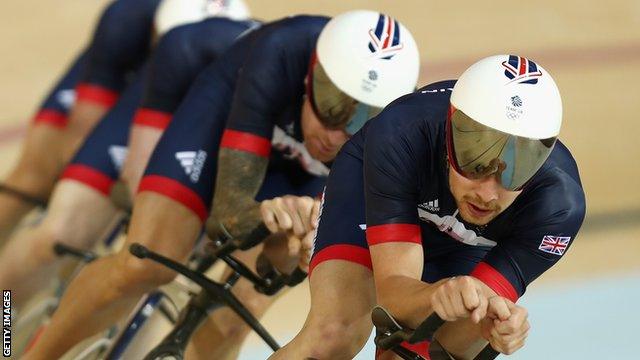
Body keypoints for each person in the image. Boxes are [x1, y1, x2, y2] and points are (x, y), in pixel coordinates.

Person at [23, 10, 420, 360]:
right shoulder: (280, 51)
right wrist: (269, 216)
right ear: (310, 73)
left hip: (294, 177)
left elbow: (283, 268)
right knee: (146, 264)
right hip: (219, 135)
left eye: (361, 120)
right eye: (331, 106)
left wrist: (296, 245)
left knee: (240, 312)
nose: (335, 136)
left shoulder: (394, 136)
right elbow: (227, 218)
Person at [271, 55, 586, 359]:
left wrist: (492, 326)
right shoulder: (402, 133)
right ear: (449, 134)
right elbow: (393, 299)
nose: (488, 194)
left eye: (515, 172)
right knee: (333, 336)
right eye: (475, 162)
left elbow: (450, 349)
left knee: (419, 354)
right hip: (380, 191)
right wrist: (437, 295)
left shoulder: (558, 208)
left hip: (463, 241)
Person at [0, 0, 254, 309]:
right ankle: (5, 321)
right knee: (38, 189)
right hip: (127, 86)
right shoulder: (127, 19)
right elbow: (81, 135)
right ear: (155, 35)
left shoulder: (251, 70)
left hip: (197, 110)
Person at [0, 0, 162, 244]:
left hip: (166, 74)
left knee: (83, 215)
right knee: (33, 180)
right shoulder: (131, 16)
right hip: (126, 56)